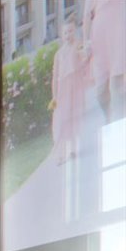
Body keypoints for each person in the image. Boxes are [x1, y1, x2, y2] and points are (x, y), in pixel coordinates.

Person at [49, 19, 91, 164]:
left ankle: (73, 148)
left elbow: (84, 57)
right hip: (63, 88)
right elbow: (55, 76)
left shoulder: (78, 45)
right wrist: (54, 95)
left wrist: (86, 52)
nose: (68, 34)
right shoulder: (58, 54)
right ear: (62, 35)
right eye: (65, 32)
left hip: (76, 85)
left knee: (74, 115)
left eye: (71, 31)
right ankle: (60, 152)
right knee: (62, 119)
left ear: (75, 31)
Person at [84, 0, 126, 121]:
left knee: (116, 84)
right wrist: (86, 41)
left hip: (119, 32)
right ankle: (108, 116)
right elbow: (87, 15)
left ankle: (120, 124)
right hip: (100, 39)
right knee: (100, 91)